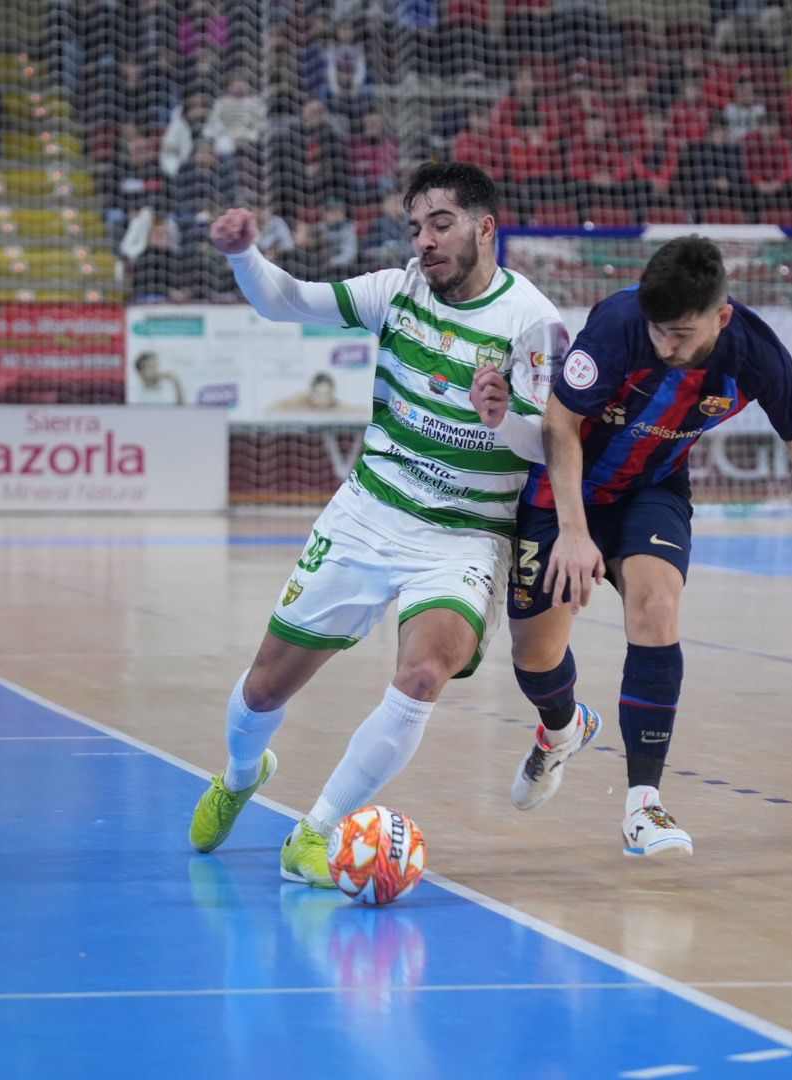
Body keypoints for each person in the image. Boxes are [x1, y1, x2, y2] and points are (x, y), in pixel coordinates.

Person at [479, 235, 792, 858]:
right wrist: (576, 534)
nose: (666, 346)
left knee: (658, 608)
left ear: (721, 316)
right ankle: (562, 729)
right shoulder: (617, 324)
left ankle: (643, 806)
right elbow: (560, 423)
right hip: (566, 492)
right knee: (533, 654)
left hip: (652, 490)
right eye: (658, 331)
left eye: (681, 335)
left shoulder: (755, 351)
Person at [188, 162, 567, 887]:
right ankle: (241, 773)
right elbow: (286, 302)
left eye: (441, 224)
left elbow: (552, 445)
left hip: (467, 533)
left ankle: (315, 834)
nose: (424, 241)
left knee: (424, 673)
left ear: (487, 228)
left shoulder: (532, 323)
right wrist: (243, 254)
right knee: (265, 690)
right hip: (370, 512)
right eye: (417, 226)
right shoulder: (398, 290)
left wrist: (506, 416)